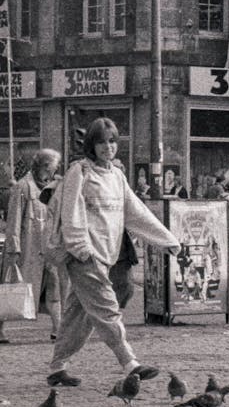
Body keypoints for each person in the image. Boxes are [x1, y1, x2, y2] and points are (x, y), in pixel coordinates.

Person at [43, 117, 181, 387]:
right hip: (85, 255)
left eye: (112, 141)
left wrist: (166, 240)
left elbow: (136, 212)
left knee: (77, 316)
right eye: (101, 142)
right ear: (91, 146)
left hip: (106, 254)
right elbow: (70, 214)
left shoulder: (116, 175)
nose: (108, 147)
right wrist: (81, 249)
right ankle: (131, 363)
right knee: (106, 307)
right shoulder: (79, 172)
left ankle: (57, 367)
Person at [1, 149, 64, 344]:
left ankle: (58, 330)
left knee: (54, 290)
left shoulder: (53, 187)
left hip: (49, 248)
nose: (56, 169)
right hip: (28, 249)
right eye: (54, 165)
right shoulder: (23, 187)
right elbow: (14, 219)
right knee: (12, 290)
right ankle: (0, 328)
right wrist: (14, 249)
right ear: (45, 166)